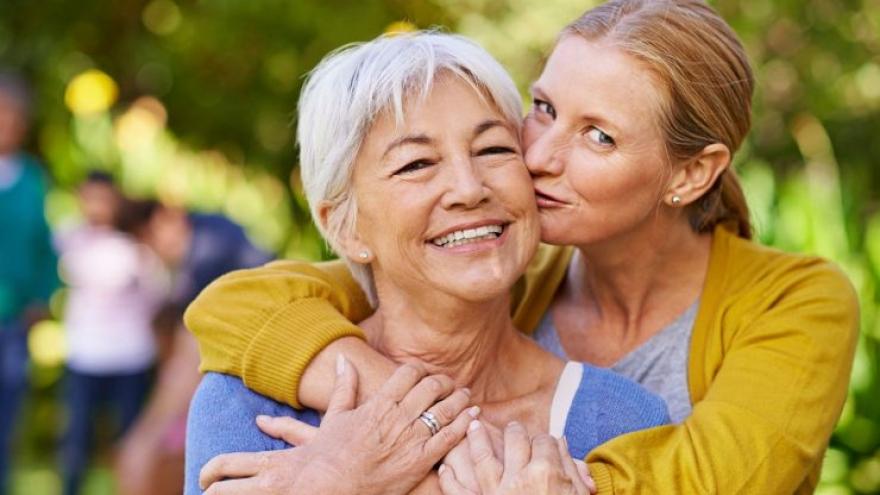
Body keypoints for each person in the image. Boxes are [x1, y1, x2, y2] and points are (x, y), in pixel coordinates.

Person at [186, 0, 860, 493]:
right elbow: (243, 305)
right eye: (543, 109)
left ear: (690, 173)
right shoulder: (503, 260)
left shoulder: (795, 303)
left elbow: (720, 484)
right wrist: (396, 432)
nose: (537, 154)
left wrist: (379, 474)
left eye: (599, 136)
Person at [184, 31, 671, 495]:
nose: (468, 187)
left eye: (494, 149)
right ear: (345, 228)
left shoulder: (622, 419)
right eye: (416, 164)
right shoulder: (245, 404)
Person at [114, 199, 274, 495]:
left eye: (148, 241)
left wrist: (147, 436)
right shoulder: (209, 233)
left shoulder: (206, 251)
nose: (155, 253)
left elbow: (189, 349)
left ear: (164, 220)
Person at [56, 171, 168, 495]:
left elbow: (157, 295)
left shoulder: (136, 246)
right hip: (84, 353)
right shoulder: (69, 237)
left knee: (130, 440)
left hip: (129, 355)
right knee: (76, 442)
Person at [0, 71, 59, 495]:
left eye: (13, 117)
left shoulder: (32, 179)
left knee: (7, 408)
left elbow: (44, 246)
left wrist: (41, 298)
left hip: (13, 319)